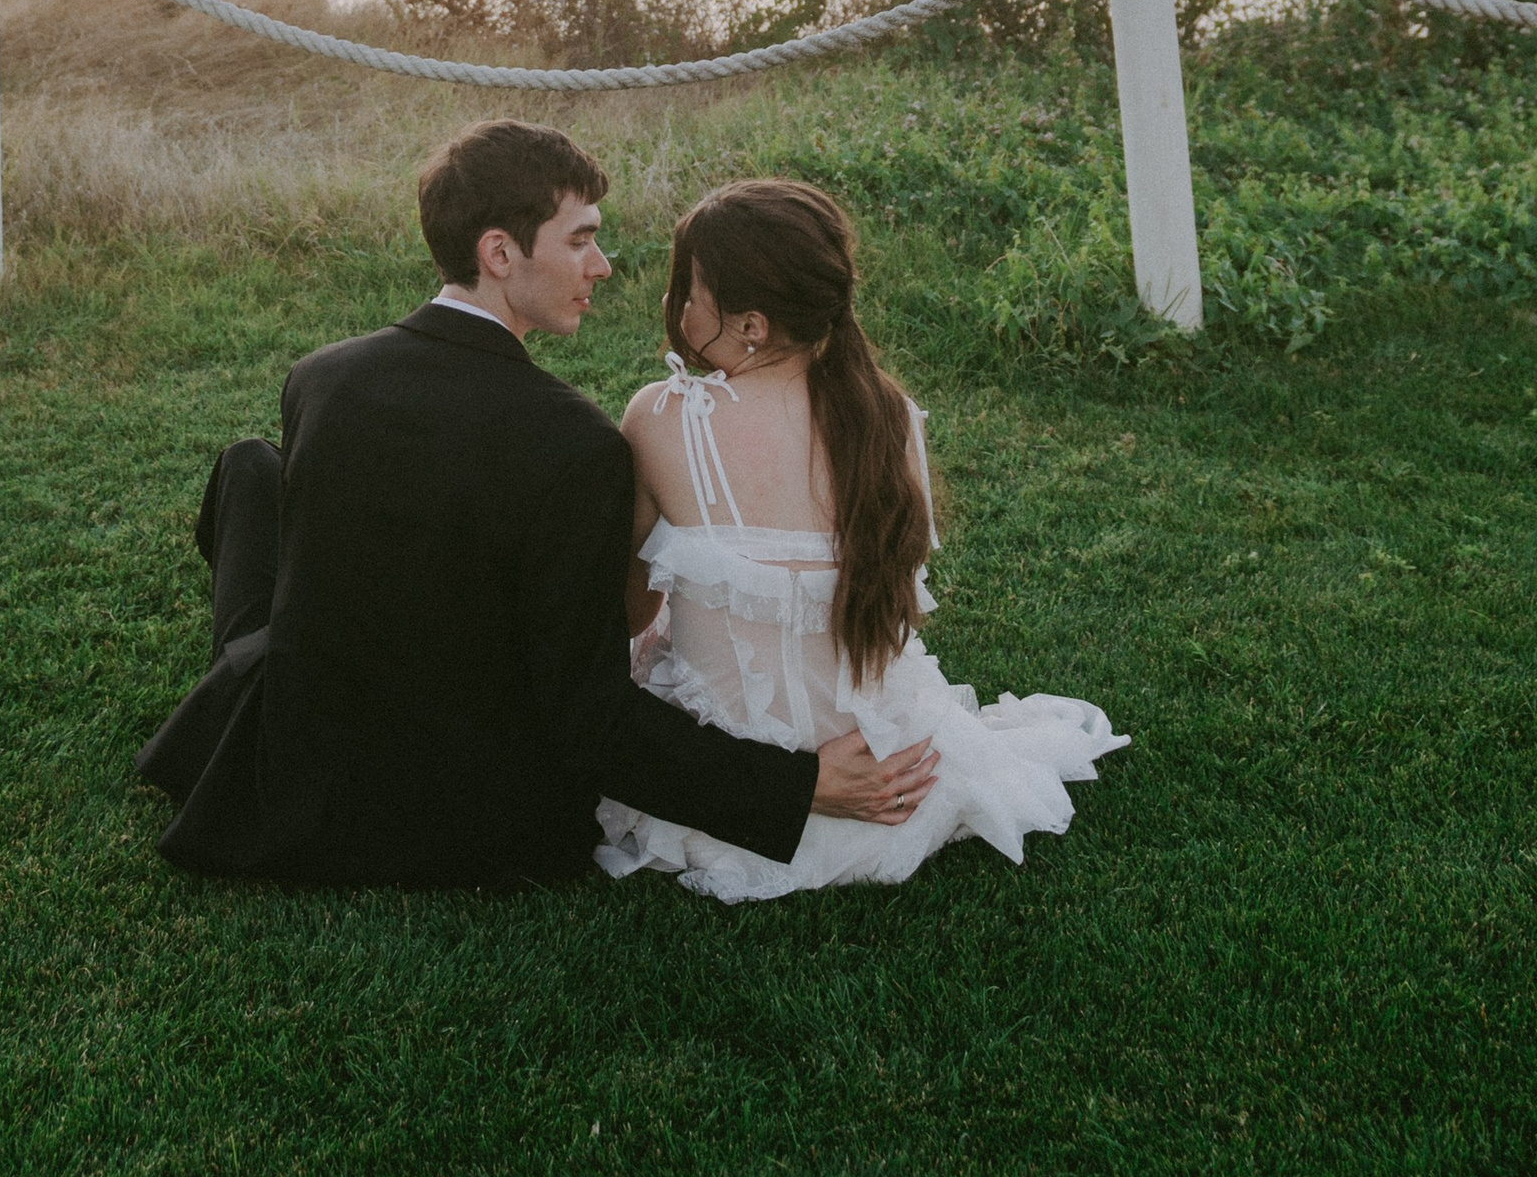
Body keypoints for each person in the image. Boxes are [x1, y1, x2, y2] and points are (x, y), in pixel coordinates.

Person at [134, 121, 943, 889]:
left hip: (296, 776)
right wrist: (795, 785)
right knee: (255, 473)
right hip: (475, 824)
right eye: (581, 240)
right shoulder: (576, 445)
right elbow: (588, 717)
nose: (603, 267)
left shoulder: (321, 380)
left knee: (251, 470)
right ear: (499, 252)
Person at [596, 176, 1126, 904]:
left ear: (750, 324)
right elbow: (895, 612)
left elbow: (627, 613)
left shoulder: (661, 417)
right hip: (894, 776)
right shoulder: (888, 416)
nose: (679, 308)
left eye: (690, 291)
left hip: (727, 797)